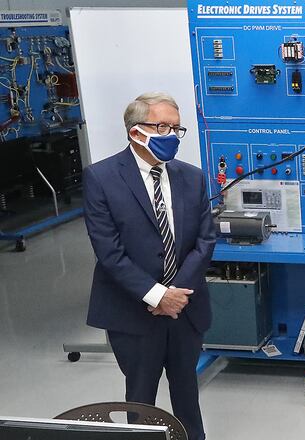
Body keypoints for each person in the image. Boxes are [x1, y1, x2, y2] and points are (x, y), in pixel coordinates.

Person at [83, 92, 215, 440]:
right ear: (136, 132)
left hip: (185, 308)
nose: (171, 135)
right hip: (133, 310)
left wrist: (177, 295)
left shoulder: (193, 177)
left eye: (176, 128)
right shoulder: (101, 178)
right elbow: (109, 251)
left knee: (187, 390)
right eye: (162, 126)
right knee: (140, 397)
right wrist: (157, 296)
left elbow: (205, 241)